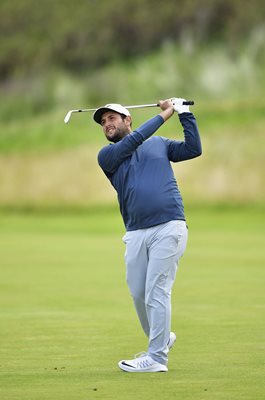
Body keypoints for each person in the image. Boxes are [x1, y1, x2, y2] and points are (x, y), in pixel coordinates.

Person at [94, 98, 202, 372]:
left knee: (157, 290)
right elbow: (136, 140)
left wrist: (185, 114)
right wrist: (167, 113)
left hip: (169, 225)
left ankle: (156, 358)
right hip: (135, 231)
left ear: (127, 119)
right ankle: (162, 338)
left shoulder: (160, 144)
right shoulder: (107, 156)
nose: (107, 123)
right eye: (103, 121)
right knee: (138, 293)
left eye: (112, 118)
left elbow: (193, 149)